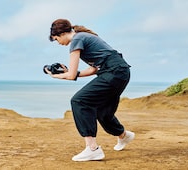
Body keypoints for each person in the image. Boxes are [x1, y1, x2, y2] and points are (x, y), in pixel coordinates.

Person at [46, 19, 135, 161]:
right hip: (120, 72)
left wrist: (55, 75)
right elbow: (94, 69)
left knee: (79, 101)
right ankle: (124, 135)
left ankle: (92, 149)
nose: (58, 43)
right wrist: (71, 72)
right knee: (103, 113)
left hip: (113, 72)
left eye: (56, 39)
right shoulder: (83, 37)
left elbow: (71, 76)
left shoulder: (77, 40)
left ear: (61, 33)